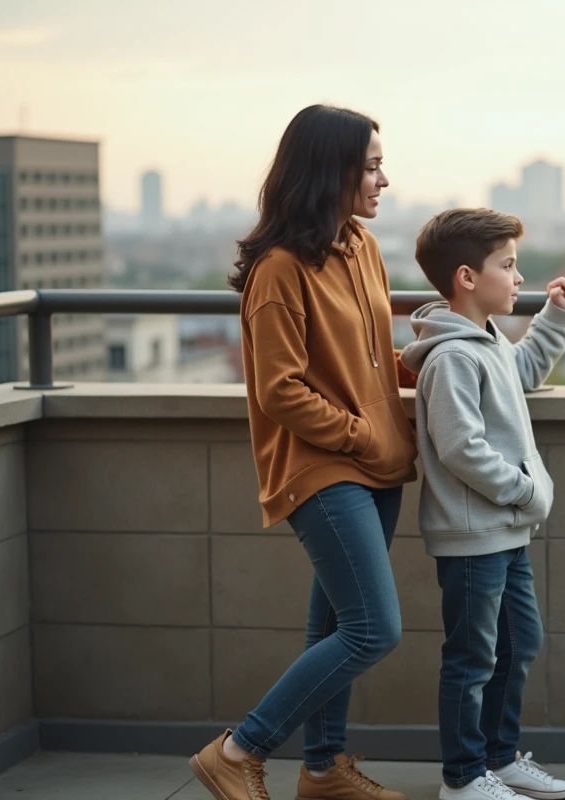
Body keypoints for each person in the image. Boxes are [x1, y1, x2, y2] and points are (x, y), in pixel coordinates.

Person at [189, 104, 417, 800]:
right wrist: (362, 432)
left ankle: (322, 770)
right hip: (321, 469)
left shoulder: (362, 247)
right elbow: (280, 391)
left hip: (379, 467)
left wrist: (442, 361)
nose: (385, 179)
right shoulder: (278, 270)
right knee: (375, 630)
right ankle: (238, 749)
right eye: (372, 166)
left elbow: (371, 357)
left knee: (336, 627)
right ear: (331, 170)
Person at [400, 208, 565, 800]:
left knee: (517, 644)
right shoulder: (453, 356)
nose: (519, 277)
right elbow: (461, 448)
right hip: (475, 534)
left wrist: (556, 314)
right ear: (466, 278)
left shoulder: (487, 342)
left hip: (505, 533)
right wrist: (526, 490)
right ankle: (462, 777)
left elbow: (523, 370)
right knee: (472, 659)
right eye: (507, 266)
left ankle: (499, 759)